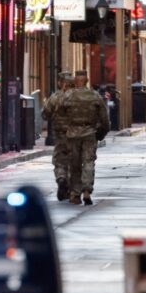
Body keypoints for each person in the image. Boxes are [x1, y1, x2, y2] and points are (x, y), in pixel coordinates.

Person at [61, 70, 110, 206]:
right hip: (89, 133)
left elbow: (60, 114)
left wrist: (65, 129)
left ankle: (75, 194)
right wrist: (101, 133)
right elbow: (104, 119)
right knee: (88, 162)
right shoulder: (94, 96)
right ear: (87, 81)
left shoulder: (68, 96)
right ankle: (87, 190)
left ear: (76, 81)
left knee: (74, 164)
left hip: (72, 134)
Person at [42, 72, 75, 201]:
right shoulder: (78, 97)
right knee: (75, 161)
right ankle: (72, 188)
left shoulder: (55, 97)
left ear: (61, 83)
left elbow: (45, 114)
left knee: (60, 160)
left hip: (60, 135)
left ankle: (61, 179)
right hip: (77, 134)